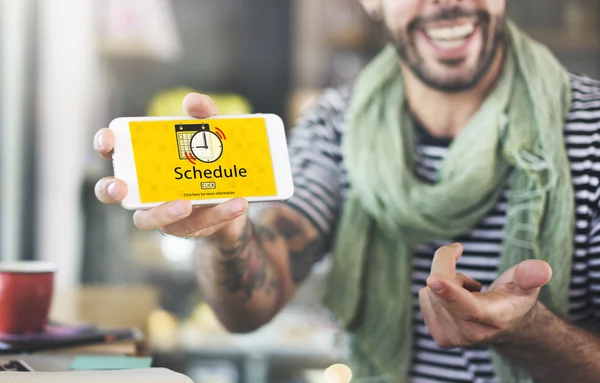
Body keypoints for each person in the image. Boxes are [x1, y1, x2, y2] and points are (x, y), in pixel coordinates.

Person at [93, 0, 600, 382]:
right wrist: (227, 237)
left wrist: (532, 331)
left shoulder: (592, 126)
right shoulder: (335, 124)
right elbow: (248, 306)